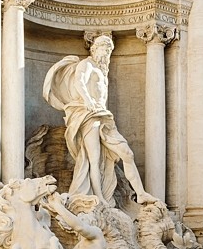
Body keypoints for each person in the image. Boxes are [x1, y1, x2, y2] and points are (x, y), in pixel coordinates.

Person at [42, 34, 151, 205]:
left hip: (103, 116)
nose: (106, 52)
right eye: (103, 48)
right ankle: (99, 197)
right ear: (94, 49)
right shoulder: (86, 64)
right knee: (94, 158)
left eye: (109, 49)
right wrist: (88, 101)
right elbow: (80, 82)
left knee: (127, 153)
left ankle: (141, 193)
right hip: (88, 114)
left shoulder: (102, 70)